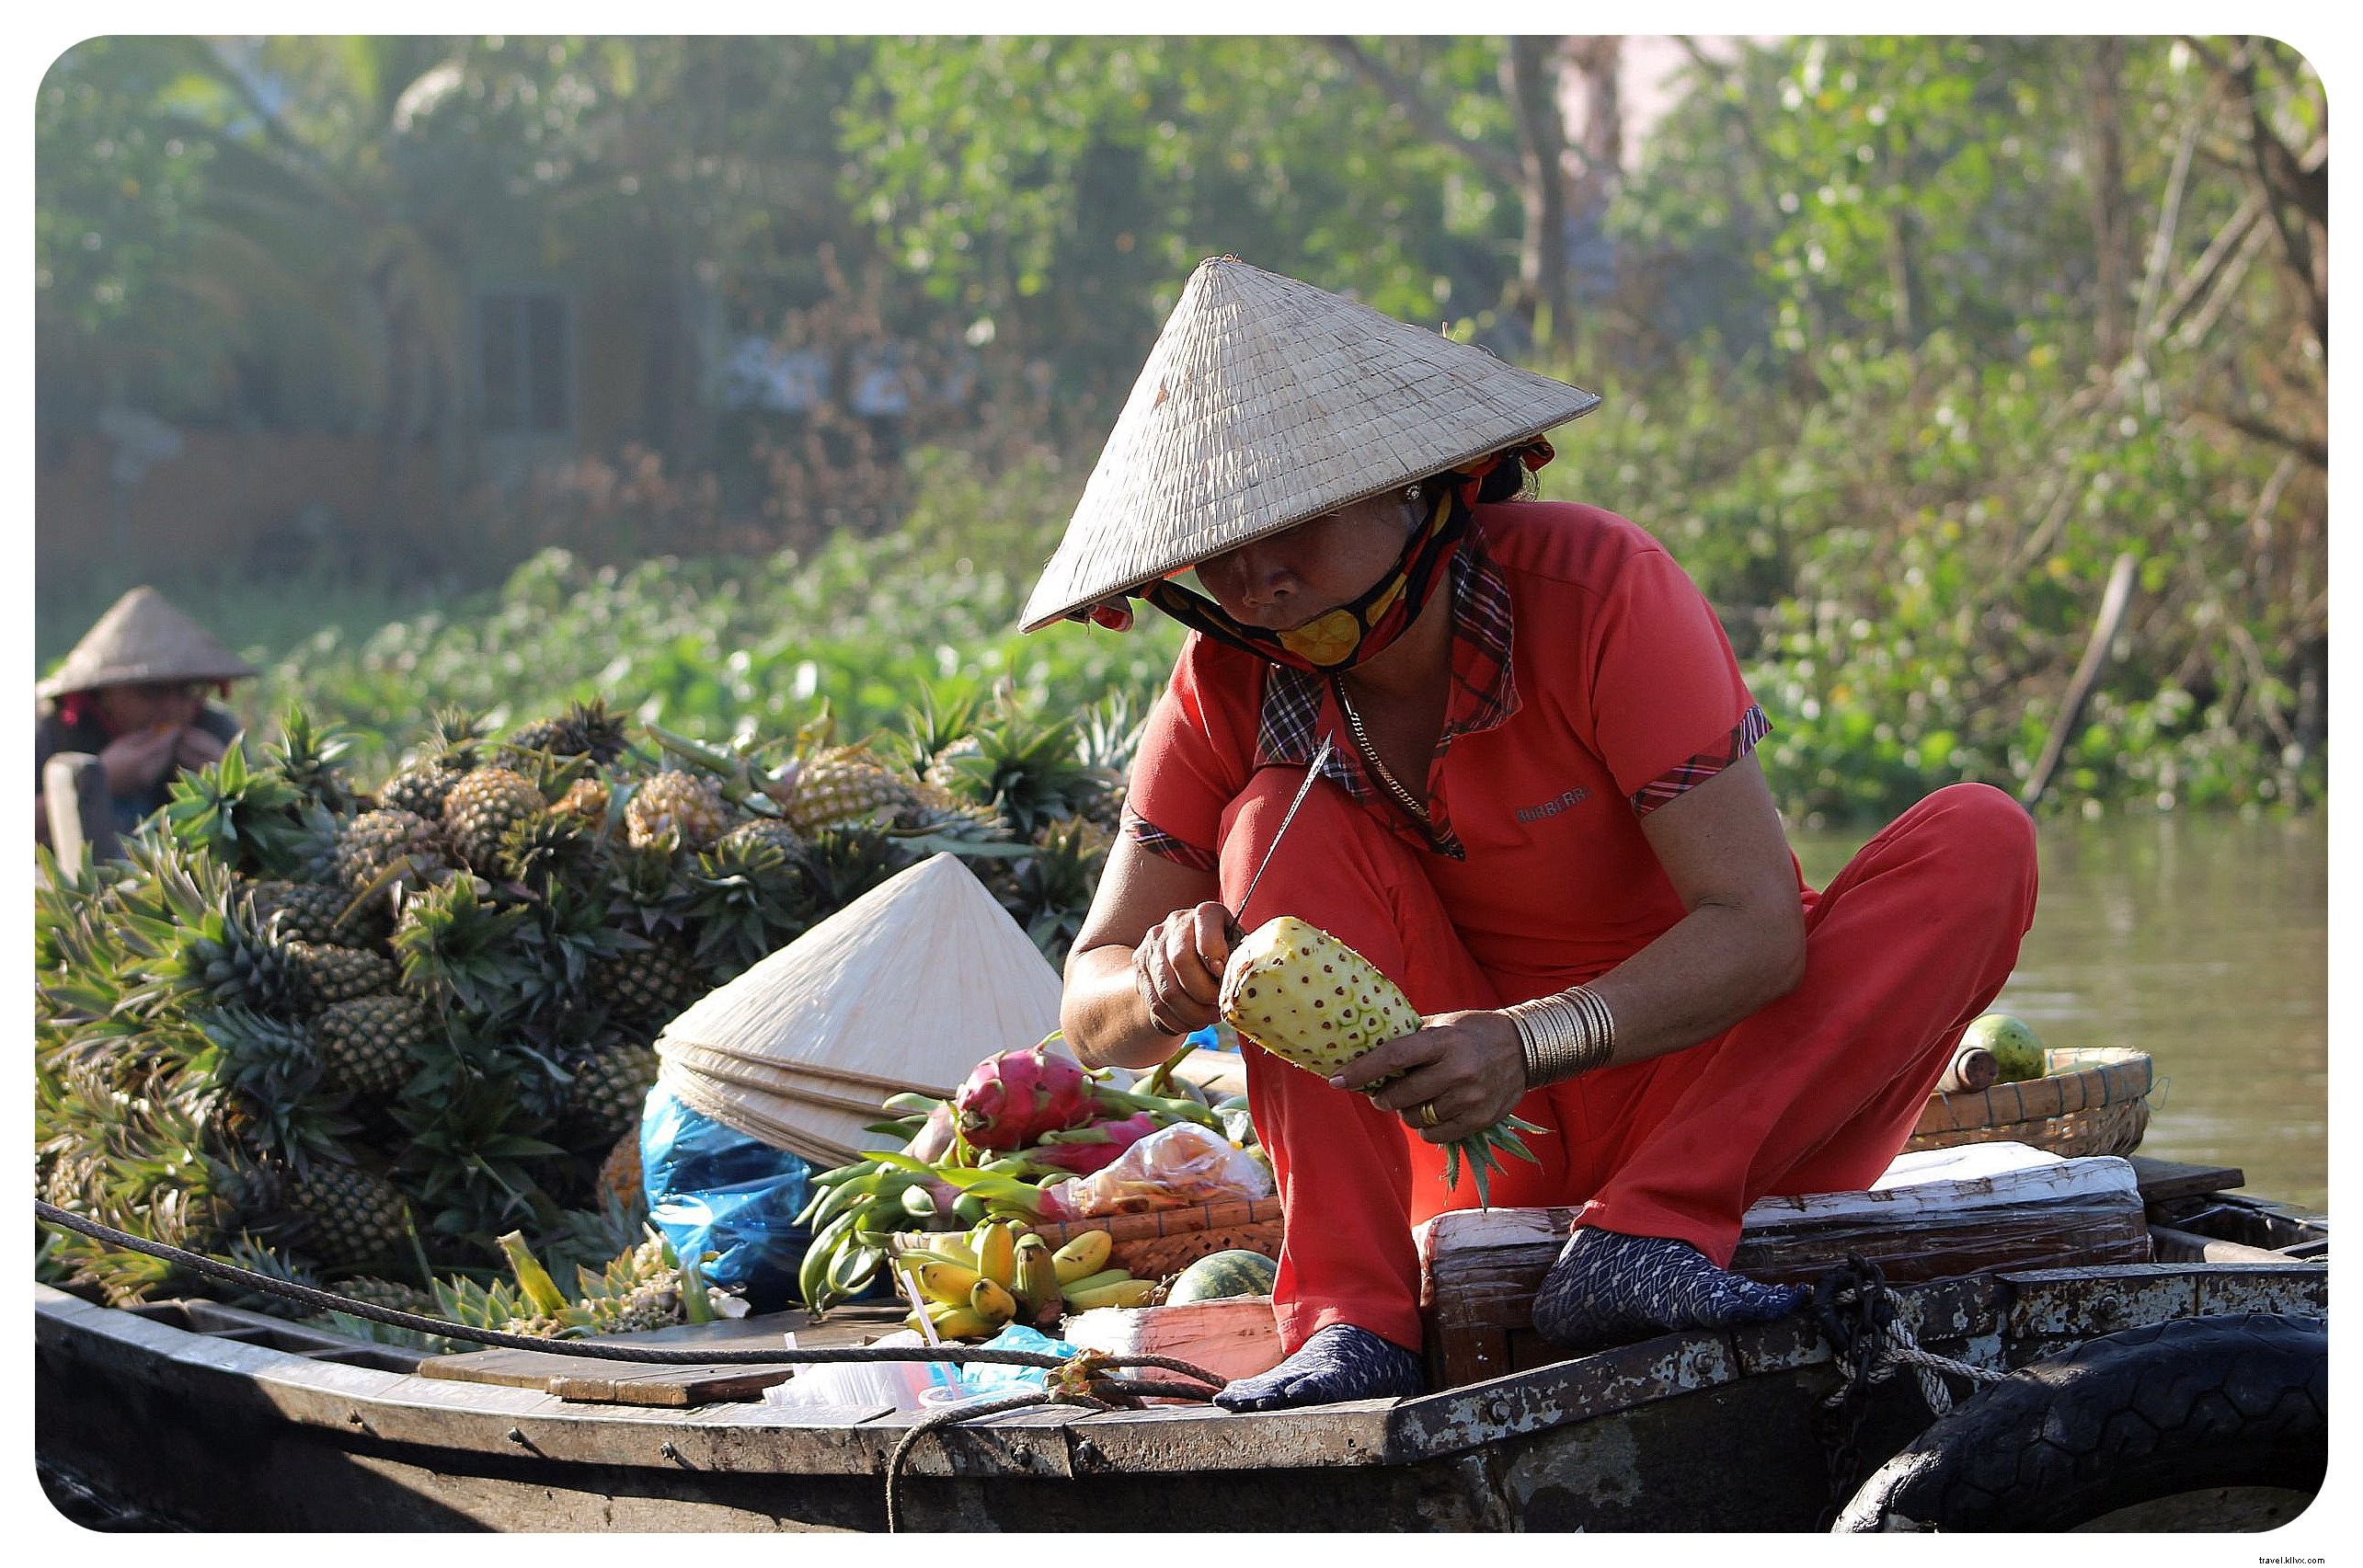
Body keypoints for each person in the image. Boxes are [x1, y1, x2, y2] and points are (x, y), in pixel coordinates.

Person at [1021, 258, 2037, 1413]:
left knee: (1981, 836)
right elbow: (1089, 1001)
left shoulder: (1598, 587)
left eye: (1293, 523)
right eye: (1221, 551)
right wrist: (1158, 988)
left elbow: (1757, 930)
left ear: (1419, 486)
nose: (1259, 579)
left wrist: (1525, 1038)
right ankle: (1353, 1311)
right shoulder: (1224, 683)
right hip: (1473, 1139)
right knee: (1266, 824)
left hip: (1728, 1117)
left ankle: (1647, 1232)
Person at [36, 586, 253, 856]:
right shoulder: (56, 732)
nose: (172, 709)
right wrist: (100, 783)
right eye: (151, 692)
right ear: (105, 694)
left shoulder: (214, 727)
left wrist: (231, 783)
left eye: (187, 691)